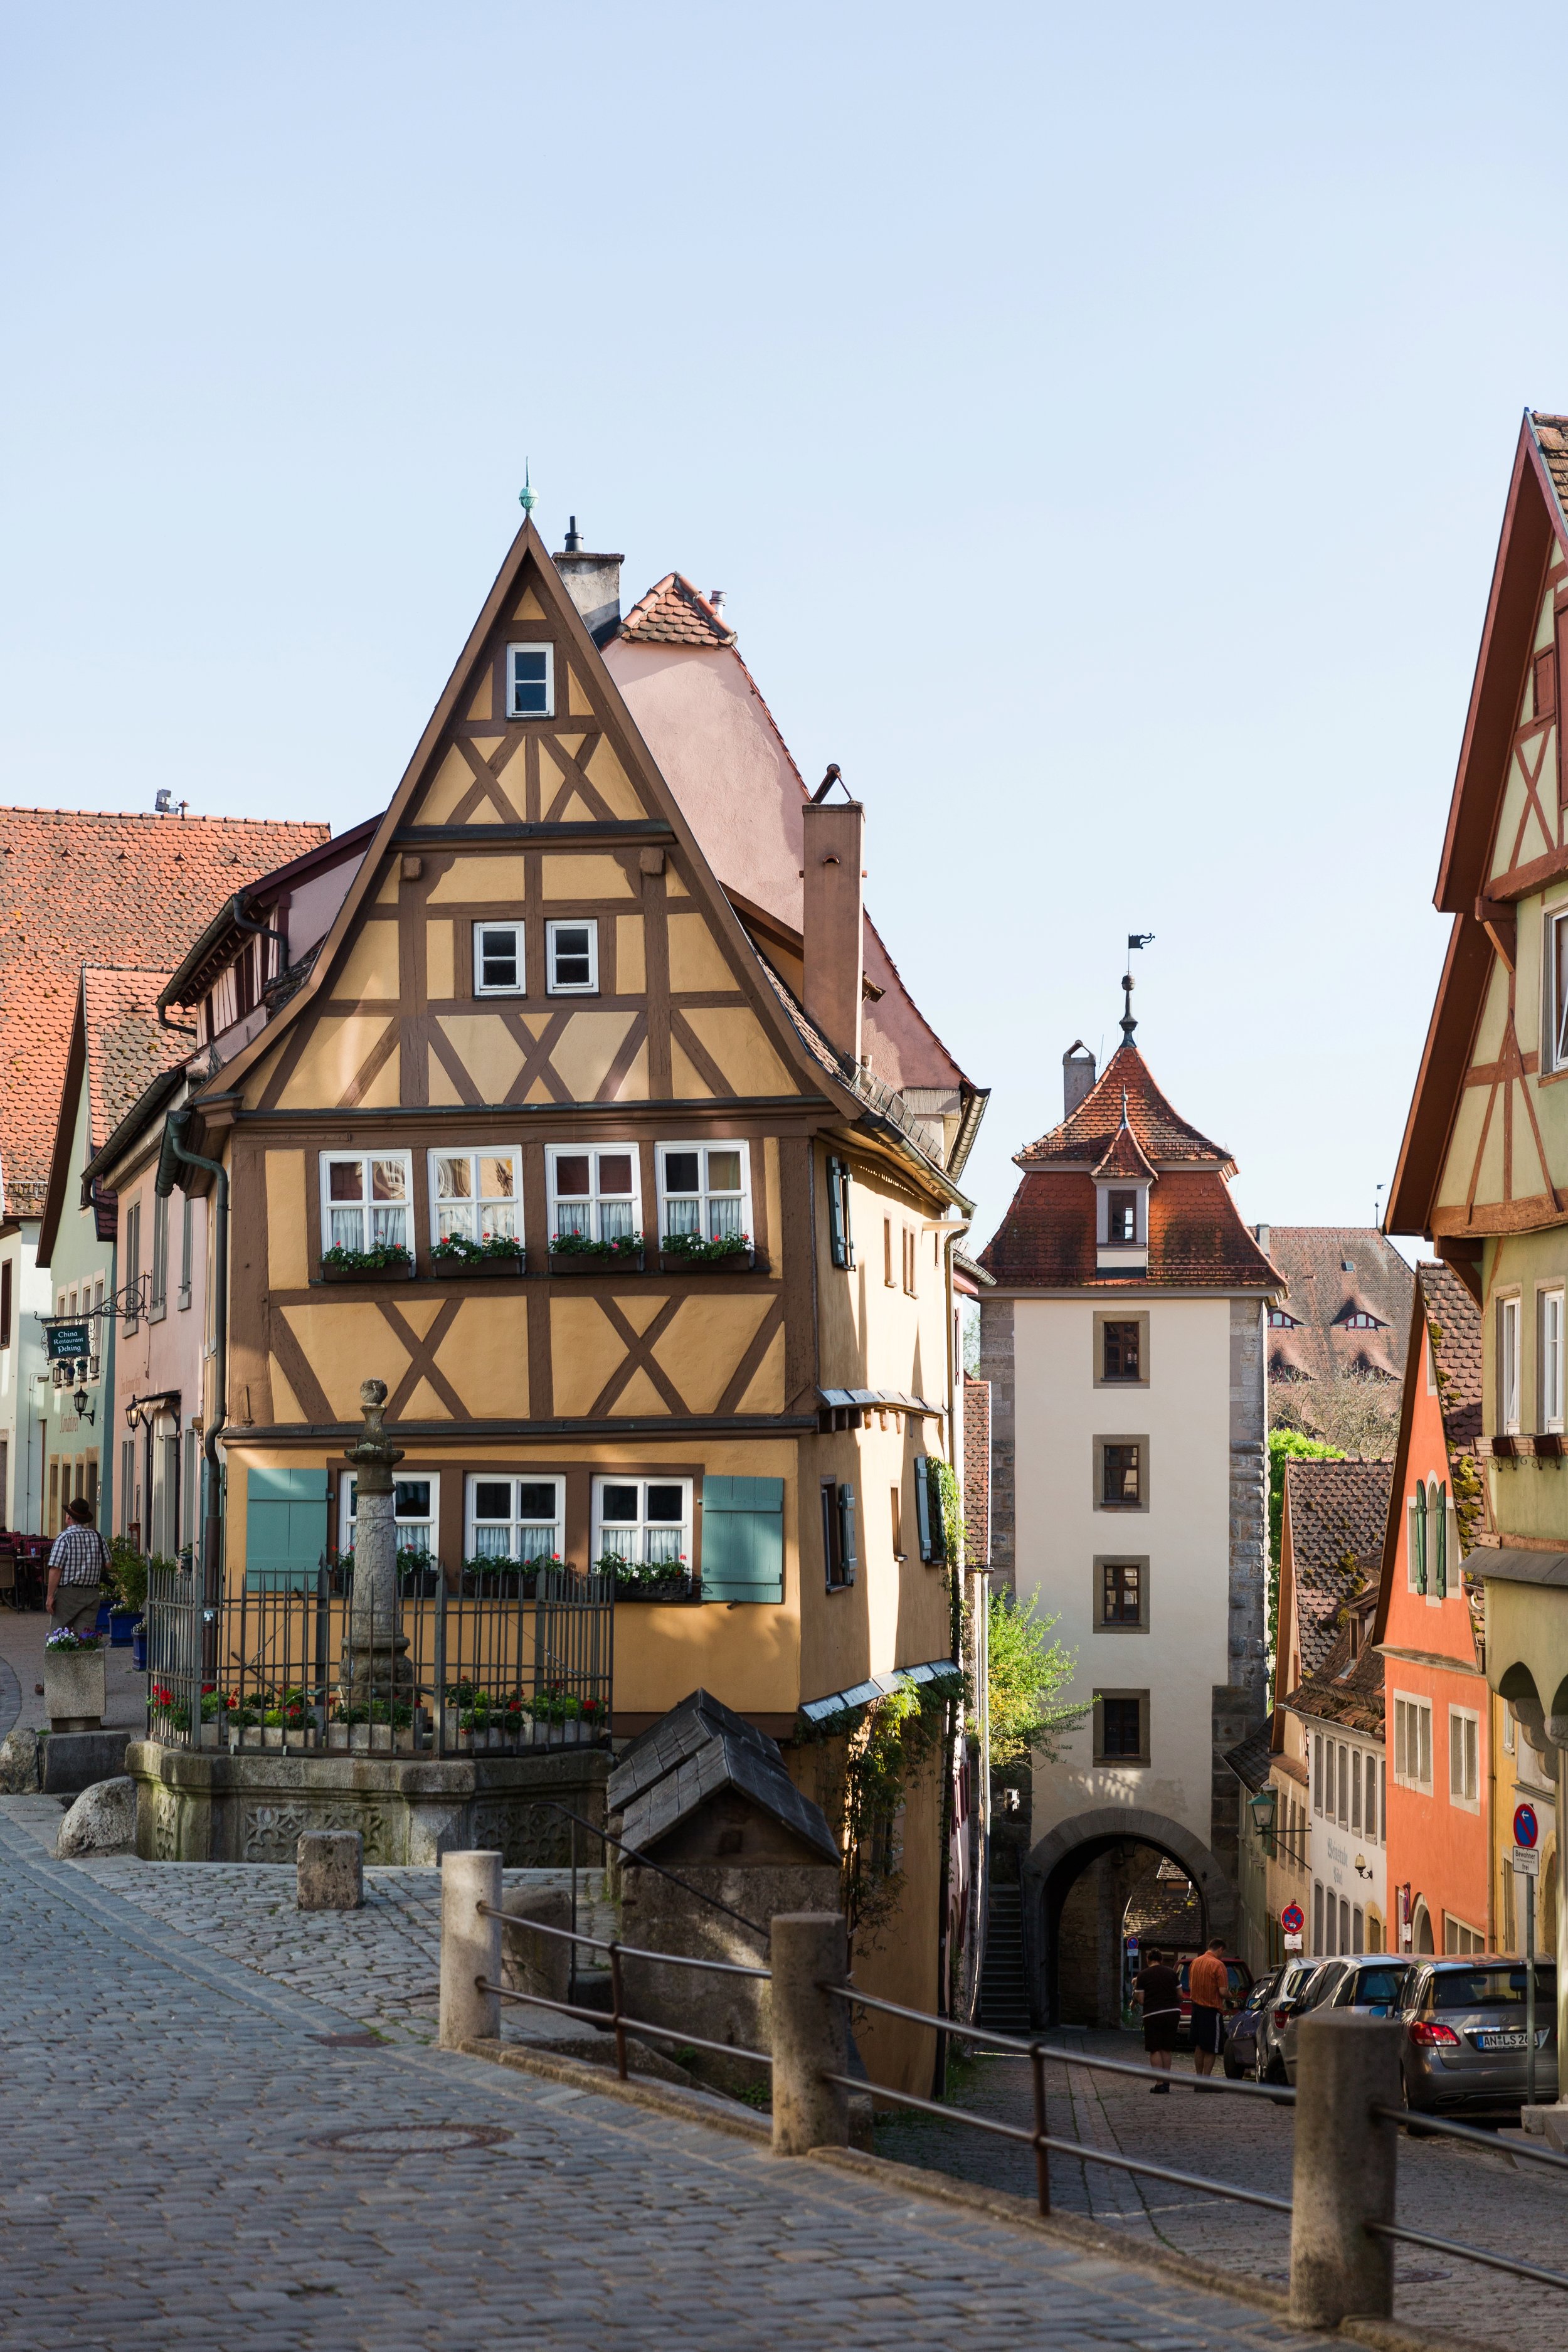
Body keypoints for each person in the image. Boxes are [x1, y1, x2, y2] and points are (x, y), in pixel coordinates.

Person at [46, 1497, 110, 1634]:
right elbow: (109, 1564)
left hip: (68, 1595)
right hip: (92, 1593)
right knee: (85, 1637)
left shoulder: (64, 1537)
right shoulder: (98, 1537)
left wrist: (50, 1596)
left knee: (60, 1637)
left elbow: (56, 1568)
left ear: (69, 1517)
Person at [1133, 1944, 1181, 2091]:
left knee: (1155, 2048)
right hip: (1173, 2012)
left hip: (1153, 2013)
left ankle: (1160, 2084)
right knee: (1167, 2048)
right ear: (1161, 1960)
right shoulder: (1171, 1973)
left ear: (1148, 1960)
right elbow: (1180, 1995)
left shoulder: (1143, 1975)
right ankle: (1166, 2081)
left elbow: (1141, 1999)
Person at [1188, 1936, 1233, 2083]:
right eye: (1223, 1953)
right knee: (1211, 2048)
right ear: (1220, 1949)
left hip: (1196, 2009)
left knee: (1199, 2045)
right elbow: (1222, 1991)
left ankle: (1199, 2078)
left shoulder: (1195, 1963)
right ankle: (1206, 2081)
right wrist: (1231, 1996)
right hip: (1211, 2010)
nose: (1223, 1955)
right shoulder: (1218, 1965)